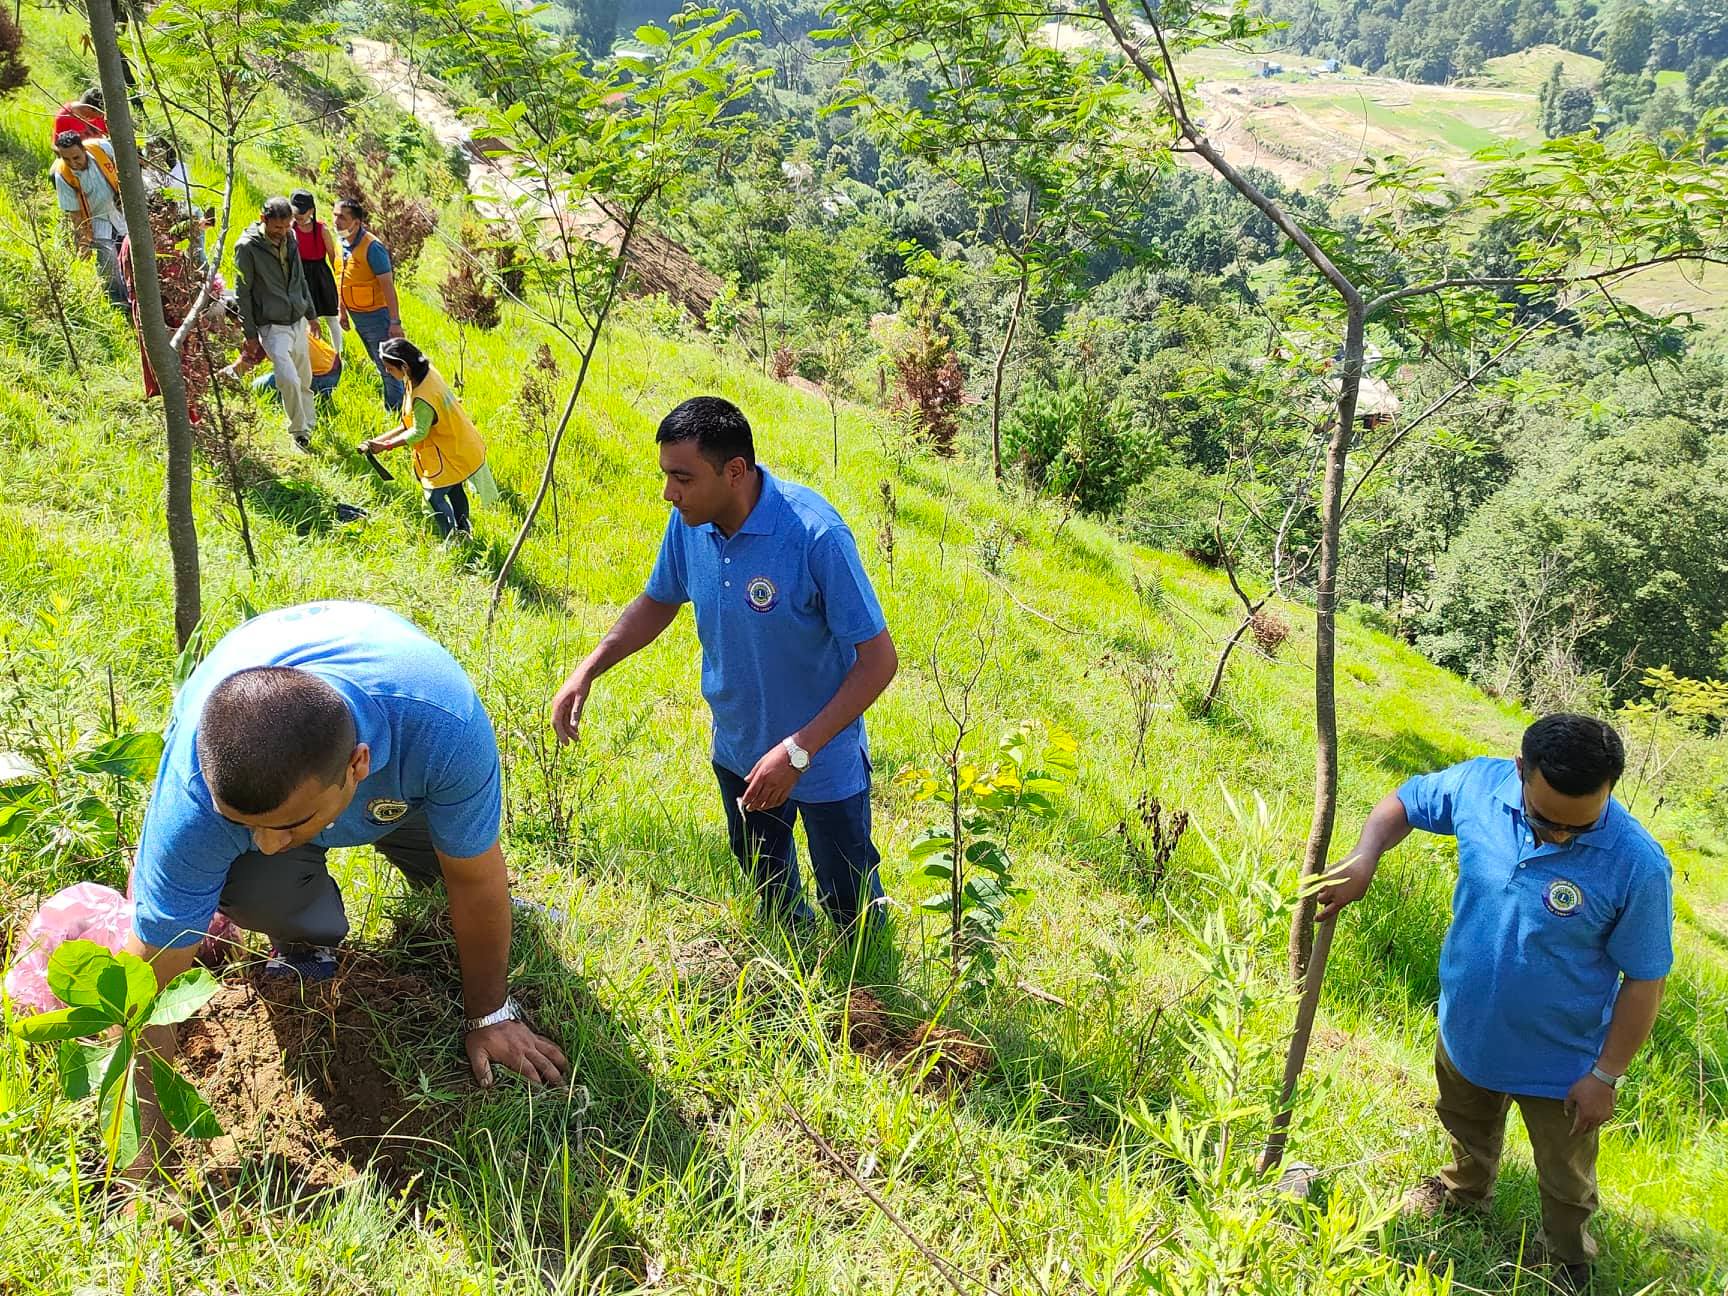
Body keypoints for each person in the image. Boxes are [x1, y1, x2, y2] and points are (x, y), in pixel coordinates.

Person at [121, 601, 568, 1180]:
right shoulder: (198, 798)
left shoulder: (441, 729)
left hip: (405, 775)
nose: (264, 842)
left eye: (283, 825)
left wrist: (489, 1014)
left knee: (455, 874)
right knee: (254, 883)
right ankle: (305, 937)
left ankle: (409, 855)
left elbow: (476, 877)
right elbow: (149, 972)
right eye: (243, 823)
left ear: (357, 765)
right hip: (301, 758)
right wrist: (141, 1156)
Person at [1319, 713, 1674, 1288]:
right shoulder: (1480, 787)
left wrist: (1606, 1075)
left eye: (1578, 828)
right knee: (1465, 1125)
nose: (1560, 836)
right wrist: (1366, 857)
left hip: (1563, 1067)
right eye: (1547, 820)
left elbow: (1645, 979)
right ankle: (1464, 1197)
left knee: (1566, 1179)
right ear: (1519, 772)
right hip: (1467, 1031)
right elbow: (1404, 802)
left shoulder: (1636, 864)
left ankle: (1568, 1264)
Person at [550, 397, 898, 936]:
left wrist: (798, 751)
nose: (669, 493)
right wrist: (589, 668)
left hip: (821, 758)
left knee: (850, 899)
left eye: (682, 478)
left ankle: (867, 996)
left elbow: (879, 660)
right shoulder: (690, 523)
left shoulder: (814, 535)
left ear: (734, 471)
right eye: (667, 476)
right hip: (737, 749)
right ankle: (794, 962)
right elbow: (661, 599)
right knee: (769, 884)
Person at [357, 337, 496, 539]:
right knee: (455, 487)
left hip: (448, 449)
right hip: (457, 442)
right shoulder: (426, 373)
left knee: (434, 496)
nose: (387, 372)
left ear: (404, 366)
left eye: (389, 368)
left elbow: (418, 431)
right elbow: (410, 423)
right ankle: (465, 531)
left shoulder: (423, 395)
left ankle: (452, 538)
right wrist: (378, 441)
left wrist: (386, 446)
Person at [234, 195, 319, 450]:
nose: (282, 233)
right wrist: (249, 334)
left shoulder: (291, 238)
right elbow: (243, 292)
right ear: (263, 220)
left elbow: (300, 279)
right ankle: (299, 432)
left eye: (287, 227)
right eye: (277, 228)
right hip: (272, 325)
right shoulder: (247, 247)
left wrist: (312, 315)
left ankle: (309, 424)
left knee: (304, 379)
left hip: (297, 320)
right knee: (288, 378)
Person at [334, 197, 406, 411]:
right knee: (378, 362)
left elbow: (388, 287)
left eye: (342, 217)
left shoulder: (373, 248)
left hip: (376, 316)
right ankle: (397, 407)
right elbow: (342, 278)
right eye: (335, 215)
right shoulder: (341, 243)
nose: (336, 221)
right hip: (357, 316)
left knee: (388, 365)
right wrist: (342, 310)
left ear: (356, 223)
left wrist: (395, 322)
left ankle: (396, 410)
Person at [50, 130, 128, 309]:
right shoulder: (63, 176)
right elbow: (74, 214)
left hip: (120, 210)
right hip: (97, 219)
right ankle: (117, 300)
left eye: (76, 157)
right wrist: (83, 241)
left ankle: (136, 292)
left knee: (129, 252)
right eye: (66, 159)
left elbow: (124, 164)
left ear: (83, 149)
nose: (73, 163)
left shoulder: (101, 148)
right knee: (108, 260)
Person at [221, 307, 342, 401]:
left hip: (321, 376)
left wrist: (215, 379)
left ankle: (311, 395)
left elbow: (239, 369)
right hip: (334, 364)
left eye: (237, 324)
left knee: (258, 387)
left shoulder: (261, 337)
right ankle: (319, 394)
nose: (237, 328)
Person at [291, 190, 342, 351]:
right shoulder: (290, 230)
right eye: (295, 212)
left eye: (302, 212)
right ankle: (314, 352)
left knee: (331, 316)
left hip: (321, 276)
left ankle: (338, 352)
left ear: (311, 211)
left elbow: (333, 258)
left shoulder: (321, 229)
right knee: (305, 318)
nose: (298, 216)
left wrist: (340, 282)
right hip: (301, 275)